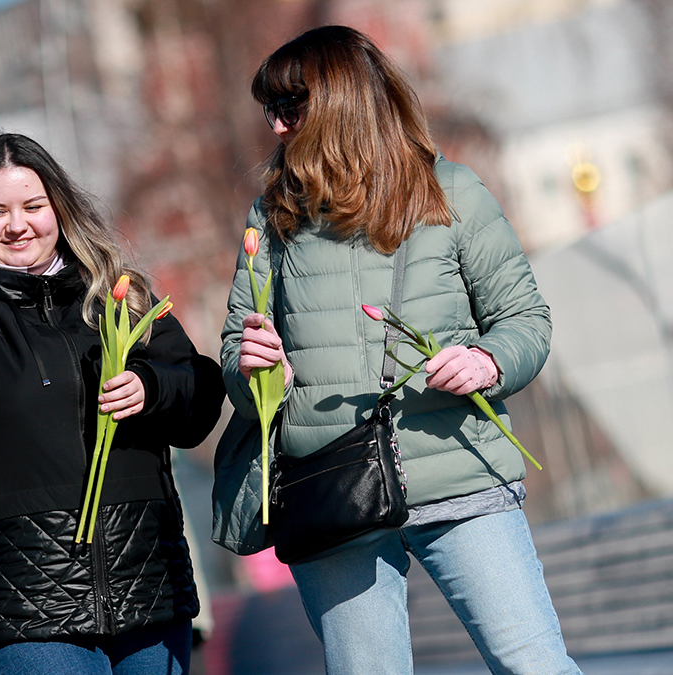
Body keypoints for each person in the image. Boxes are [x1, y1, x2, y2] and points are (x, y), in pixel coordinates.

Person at [221, 26, 582, 674]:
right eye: (270, 110)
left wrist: (489, 361)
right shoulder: (269, 219)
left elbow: (522, 318)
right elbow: (234, 354)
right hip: (329, 489)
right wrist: (253, 370)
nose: (276, 127)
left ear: (341, 104)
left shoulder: (452, 190)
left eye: (288, 107)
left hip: (458, 468)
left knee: (534, 664)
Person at [0, 132, 224, 675]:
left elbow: (199, 397)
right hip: (21, 603)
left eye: (33, 206)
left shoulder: (117, 296)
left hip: (143, 583)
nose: (17, 225)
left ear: (59, 206)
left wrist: (151, 389)